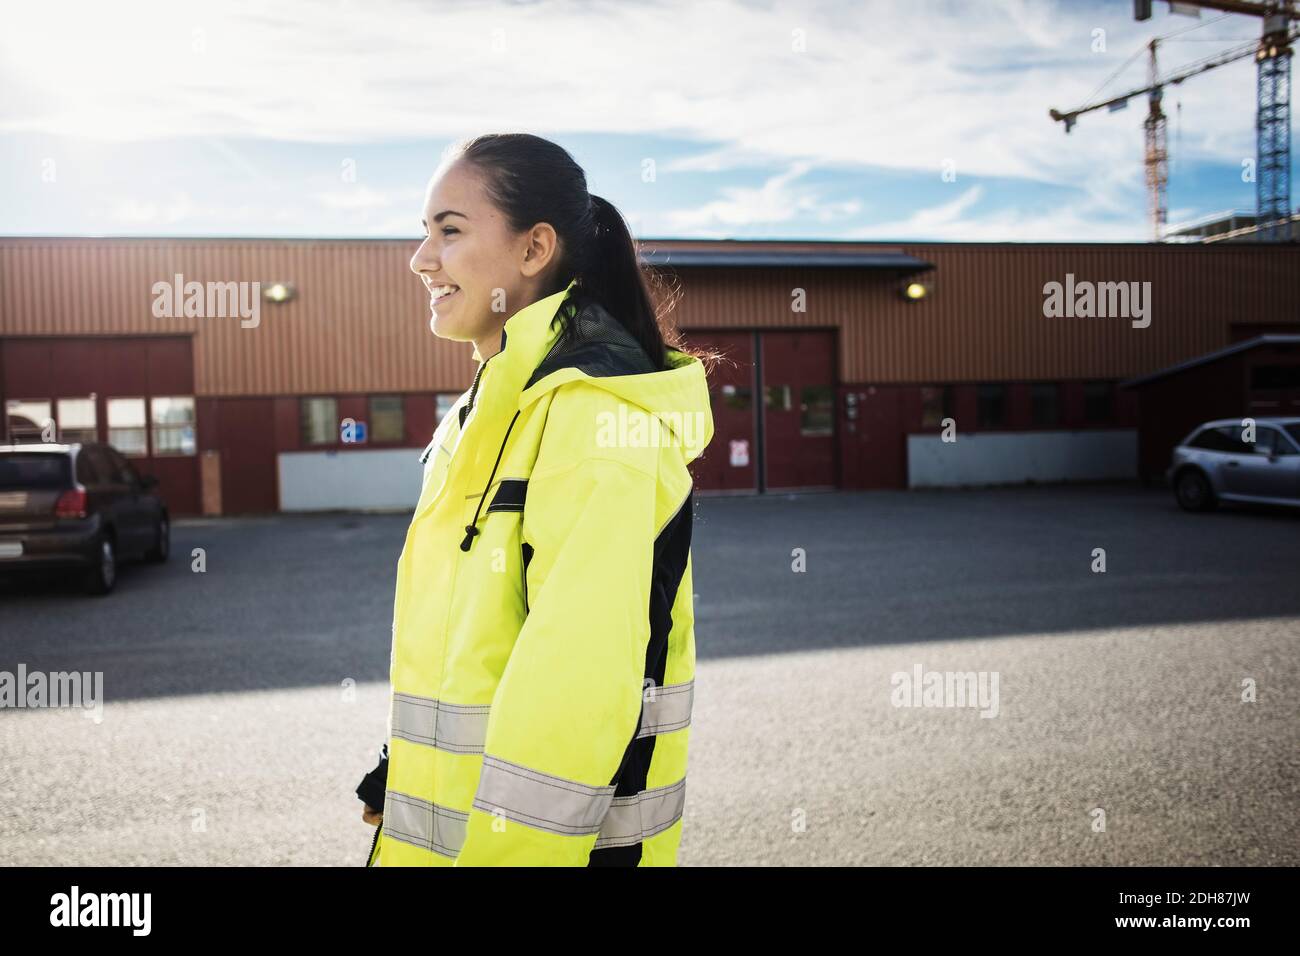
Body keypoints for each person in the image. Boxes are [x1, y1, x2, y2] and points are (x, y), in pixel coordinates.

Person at [356, 132, 715, 866]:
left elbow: (574, 698)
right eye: (423, 232)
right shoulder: (478, 417)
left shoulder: (593, 423)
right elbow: (479, 646)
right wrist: (410, 772)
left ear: (533, 249)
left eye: (449, 231)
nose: (422, 259)